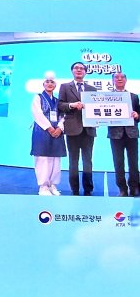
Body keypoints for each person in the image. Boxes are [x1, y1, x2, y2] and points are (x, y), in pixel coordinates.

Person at [58, 62, 97, 196]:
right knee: (73, 161)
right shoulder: (65, 87)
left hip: (89, 129)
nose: (79, 70)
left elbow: (96, 107)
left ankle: (88, 189)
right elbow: (60, 105)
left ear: (85, 72)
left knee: (88, 161)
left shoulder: (92, 89)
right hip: (72, 129)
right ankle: (74, 189)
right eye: (76, 68)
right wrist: (72, 105)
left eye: (82, 68)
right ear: (72, 71)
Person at [30, 71, 67, 195]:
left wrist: (60, 128)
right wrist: (49, 128)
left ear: (55, 85)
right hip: (42, 131)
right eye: (47, 82)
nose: (50, 84)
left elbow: (63, 116)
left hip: (57, 132)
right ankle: (43, 187)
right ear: (43, 84)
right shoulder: (38, 97)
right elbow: (37, 114)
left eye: (52, 82)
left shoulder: (57, 101)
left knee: (55, 159)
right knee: (42, 159)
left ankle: (53, 185)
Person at [107, 72, 140, 197]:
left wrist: (137, 115)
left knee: (133, 163)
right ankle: (122, 189)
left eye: (122, 77)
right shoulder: (106, 97)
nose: (119, 79)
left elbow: (139, 114)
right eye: (116, 77)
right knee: (118, 163)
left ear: (126, 80)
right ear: (112, 80)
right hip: (115, 134)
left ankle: (134, 187)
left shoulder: (134, 96)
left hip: (132, 134)